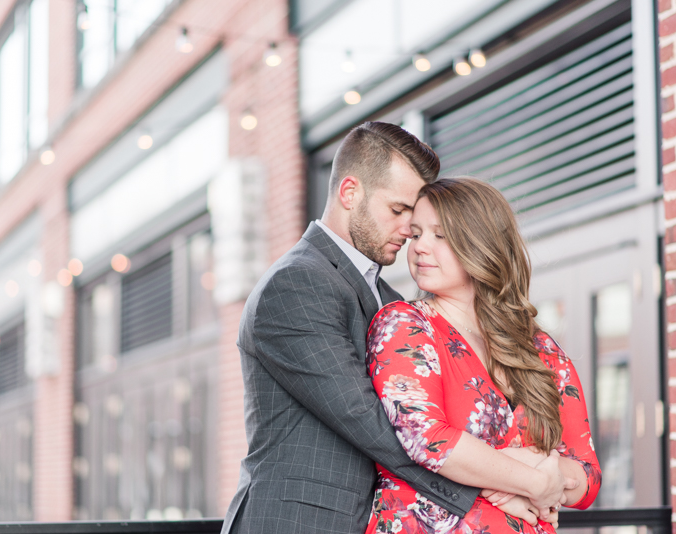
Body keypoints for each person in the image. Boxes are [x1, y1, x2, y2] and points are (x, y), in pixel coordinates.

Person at [222, 123, 572, 534]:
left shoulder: (389, 298)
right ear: (350, 193)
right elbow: (377, 425)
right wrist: (509, 485)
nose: (409, 230)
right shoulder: (297, 284)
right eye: (398, 210)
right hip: (298, 521)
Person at [365, 177, 602, 533]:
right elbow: (427, 439)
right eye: (415, 235)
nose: (419, 248)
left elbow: (588, 475)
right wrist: (534, 481)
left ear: (482, 244)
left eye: (440, 236)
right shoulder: (405, 324)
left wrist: (543, 469)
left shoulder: (539, 349)